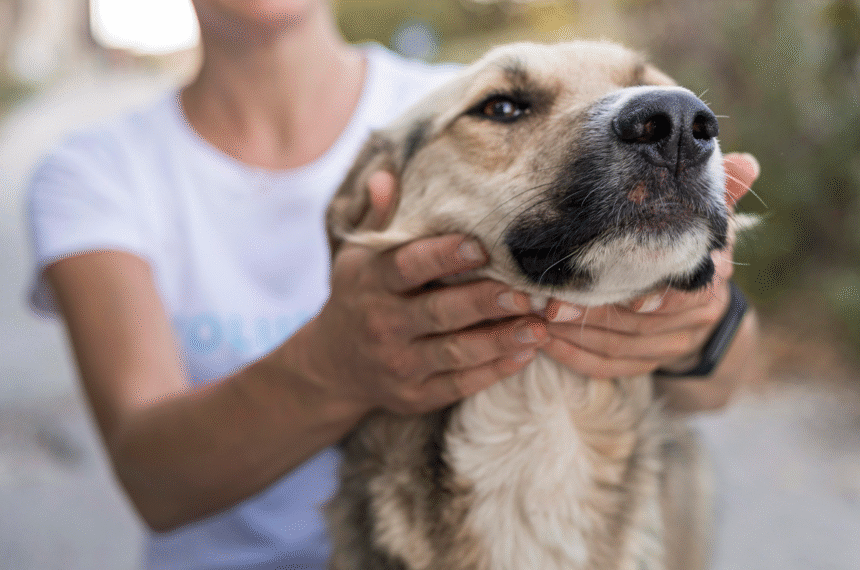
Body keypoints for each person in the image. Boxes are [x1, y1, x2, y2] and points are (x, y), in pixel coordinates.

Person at [25, 0, 761, 568]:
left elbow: (719, 384)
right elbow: (155, 481)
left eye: (667, 106)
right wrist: (335, 363)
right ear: (358, 214)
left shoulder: (434, 94)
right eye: (507, 108)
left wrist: (701, 325)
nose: (666, 125)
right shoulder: (94, 171)